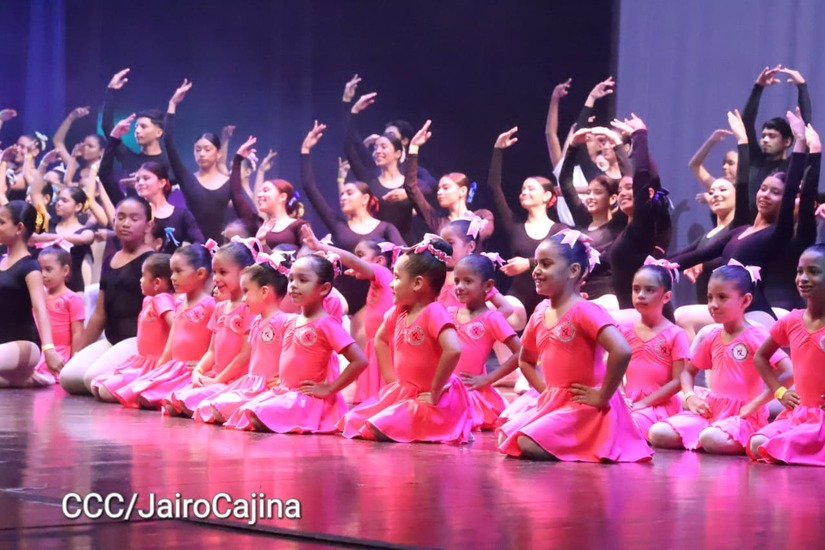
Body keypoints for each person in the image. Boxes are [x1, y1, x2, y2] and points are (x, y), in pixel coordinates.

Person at [496, 231, 652, 462]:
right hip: (556, 402)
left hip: (584, 406)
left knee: (524, 441)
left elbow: (622, 350)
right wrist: (546, 392)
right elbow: (525, 360)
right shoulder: (540, 312)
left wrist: (602, 395)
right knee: (505, 434)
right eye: (536, 263)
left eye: (546, 264)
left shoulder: (584, 310)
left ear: (574, 270)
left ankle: (588, 441)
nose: (536, 270)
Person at [337, 235, 473, 443]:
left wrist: (435, 390)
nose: (391, 284)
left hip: (433, 398)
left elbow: (453, 349)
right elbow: (381, 340)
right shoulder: (398, 312)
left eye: (397, 278)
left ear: (418, 283)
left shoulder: (433, 312)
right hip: (405, 392)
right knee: (353, 420)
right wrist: (392, 380)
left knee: (377, 427)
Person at [649, 263, 792, 454]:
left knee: (711, 438)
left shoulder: (755, 335)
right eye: (710, 298)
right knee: (658, 432)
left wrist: (757, 403)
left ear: (745, 300)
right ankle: (709, 433)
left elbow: (789, 371)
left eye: (722, 297)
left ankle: (732, 436)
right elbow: (687, 372)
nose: (713, 305)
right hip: (711, 410)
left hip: (744, 416)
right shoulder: (713, 335)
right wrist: (691, 397)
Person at [231, 254, 368, 433]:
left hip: (305, 399)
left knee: (256, 414)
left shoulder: (326, 324)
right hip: (285, 392)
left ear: (324, 288)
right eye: (291, 279)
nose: (293, 285)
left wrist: (329, 389)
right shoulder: (292, 321)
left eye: (302, 280)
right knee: (244, 412)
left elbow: (360, 361)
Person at [300, 121, 403, 327]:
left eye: (350, 193)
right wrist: (305, 151)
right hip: (342, 293)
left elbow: (403, 256)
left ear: (365, 198)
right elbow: (310, 188)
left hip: (373, 297)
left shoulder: (385, 227)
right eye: (343, 193)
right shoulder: (338, 225)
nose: (343, 197)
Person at [59, 197, 155, 394]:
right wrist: (79, 352)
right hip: (112, 339)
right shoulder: (110, 259)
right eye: (121, 217)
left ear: (148, 225)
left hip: (137, 341)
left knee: (91, 380)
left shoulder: (153, 261)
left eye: (134, 218)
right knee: (68, 378)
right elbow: (99, 314)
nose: (126, 223)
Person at [748, 244, 825, 465]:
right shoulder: (791, 321)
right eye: (800, 271)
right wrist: (780, 391)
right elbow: (760, 357)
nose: (803, 278)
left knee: (780, 445)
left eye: (814, 271)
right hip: (798, 415)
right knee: (759, 443)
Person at [301, 226, 395, 404]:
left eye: (361, 255)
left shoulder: (383, 273)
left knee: (381, 404)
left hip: (384, 348)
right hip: (374, 347)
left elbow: (350, 260)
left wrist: (320, 246)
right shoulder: (378, 282)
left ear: (379, 260)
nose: (355, 262)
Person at [164, 241, 256, 416]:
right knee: (171, 402)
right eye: (215, 272)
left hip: (234, 380)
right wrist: (199, 370)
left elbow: (245, 355)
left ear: (245, 272)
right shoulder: (220, 307)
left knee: (194, 405)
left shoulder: (249, 309)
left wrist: (217, 380)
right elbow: (212, 351)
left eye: (223, 272)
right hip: (216, 376)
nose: (215, 278)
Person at [487, 127, 567, 320]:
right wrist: (498, 150)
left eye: (531, 188)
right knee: (491, 313)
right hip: (519, 300)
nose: (524, 192)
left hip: (550, 301)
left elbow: (562, 262)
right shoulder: (515, 226)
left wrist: (529, 264)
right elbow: (494, 186)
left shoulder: (560, 230)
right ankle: (512, 352)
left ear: (547, 195)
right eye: (523, 189)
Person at [122, 245, 216, 409]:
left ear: (200, 274)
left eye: (178, 271)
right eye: (172, 272)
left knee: (154, 398)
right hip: (174, 367)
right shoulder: (179, 304)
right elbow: (169, 348)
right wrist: (155, 373)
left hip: (189, 370)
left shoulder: (210, 305)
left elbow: (214, 346)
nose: (172, 277)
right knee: (136, 391)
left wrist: (203, 366)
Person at [197, 260, 289, 425]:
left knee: (223, 407)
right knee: (206, 405)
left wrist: (284, 378)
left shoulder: (284, 321)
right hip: (251, 384)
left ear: (264, 292)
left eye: (246, 292)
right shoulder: (255, 322)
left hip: (268, 387)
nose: (244, 298)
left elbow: (293, 356)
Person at [101, 115, 204, 253]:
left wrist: (182, 259)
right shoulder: (129, 208)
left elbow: (200, 242)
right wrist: (114, 137)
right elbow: (104, 174)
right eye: (137, 180)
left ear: (162, 182)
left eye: (146, 178)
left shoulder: (181, 215)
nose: (140, 183)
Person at [619, 260, 690, 441]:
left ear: (666, 297)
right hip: (629, 402)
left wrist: (643, 403)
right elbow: (615, 370)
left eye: (649, 290)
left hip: (659, 406)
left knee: (624, 425)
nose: (640, 295)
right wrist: (620, 395)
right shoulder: (624, 330)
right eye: (636, 289)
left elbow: (677, 381)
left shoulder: (675, 335)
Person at [91, 254, 175, 403]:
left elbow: (175, 326)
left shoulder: (162, 299)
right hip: (142, 361)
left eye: (143, 276)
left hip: (154, 364)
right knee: (96, 385)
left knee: (104, 390)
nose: (140, 280)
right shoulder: (149, 300)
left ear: (156, 282)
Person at [451, 254, 522, 430]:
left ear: (488, 286)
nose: (460, 287)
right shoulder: (449, 313)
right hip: (446, 389)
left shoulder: (492, 318)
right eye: (457, 281)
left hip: (469, 393)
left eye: (468, 281)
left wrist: (488, 378)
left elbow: (520, 352)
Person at [0, 201, 63, 386]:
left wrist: (49, 348)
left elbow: (40, 308)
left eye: (1, 222)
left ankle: (23, 376)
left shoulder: (30, 267)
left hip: (24, 344)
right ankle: (22, 380)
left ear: (19, 227)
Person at [164, 79, 235, 242]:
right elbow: (168, 141)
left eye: (207, 149)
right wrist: (172, 104)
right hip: (192, 247)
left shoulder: (229, 182)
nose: (201, 154)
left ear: (218, 153)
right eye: (197, 150)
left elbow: (246, 212)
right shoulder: (188, 178)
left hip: (221, 248)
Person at [402, 120, 494, 242]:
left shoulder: (482, 215)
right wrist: (413, 147)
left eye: (446, 188)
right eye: (439, 189)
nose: (439, 192)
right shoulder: (437, 220)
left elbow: (483, 234)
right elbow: (411, 187)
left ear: (462, 191)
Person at [742, 65, 811, 212]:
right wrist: (758, 87)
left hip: (779, 229)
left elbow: (806, 132)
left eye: (772, 136)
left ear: (787, 141)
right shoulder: (756, 160)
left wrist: (802, 86)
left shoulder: (793, 165)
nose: (765, 140)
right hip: (751, 227)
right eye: (764, 136)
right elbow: (746, 124)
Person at [230, 136, 308, 252]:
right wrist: (238, 159)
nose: (259, 195)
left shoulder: (299, 226)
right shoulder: (257, 224)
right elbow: (237, 194)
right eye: (259, 191)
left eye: (265, 190)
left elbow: (308, 254)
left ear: (282, 197)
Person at [28, 247, 85, 386]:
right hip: (40, 351)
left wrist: (73, 361)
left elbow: (78, 332)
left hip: (59, 353)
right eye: (40, 270)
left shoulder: (72, 298)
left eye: (48, 269)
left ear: (65, 271)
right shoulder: (38, 297)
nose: (43, 274)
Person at [100, 68, 170, 176]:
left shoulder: (168, 162)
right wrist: (111, 91)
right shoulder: (129, 158)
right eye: (136, 126)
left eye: (143, 126)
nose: (137, 131)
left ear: (159, 132)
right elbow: (107, 127)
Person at [28, 187, 94, 293]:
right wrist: (42, 169)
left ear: (78, 206)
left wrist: (44, 237)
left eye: (64, 200)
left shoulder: (84, 231)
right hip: (42, 289)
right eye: (58, 199)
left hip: (73, 291)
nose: (58, 203)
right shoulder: (49, 224)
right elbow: (35, 193)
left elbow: (84, 239)